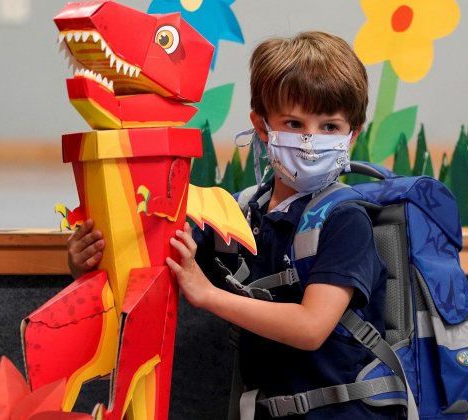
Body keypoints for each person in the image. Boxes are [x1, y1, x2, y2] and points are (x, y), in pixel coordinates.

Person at [69, 31, 398, 419]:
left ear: (352, 135)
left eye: (330, 127)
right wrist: (85, 263)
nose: (311, 140)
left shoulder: (345, 219)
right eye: (294, 122)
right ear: (261, 126)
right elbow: (157, 265)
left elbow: (312, 327)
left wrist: (207, 294)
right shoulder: (240, 212)